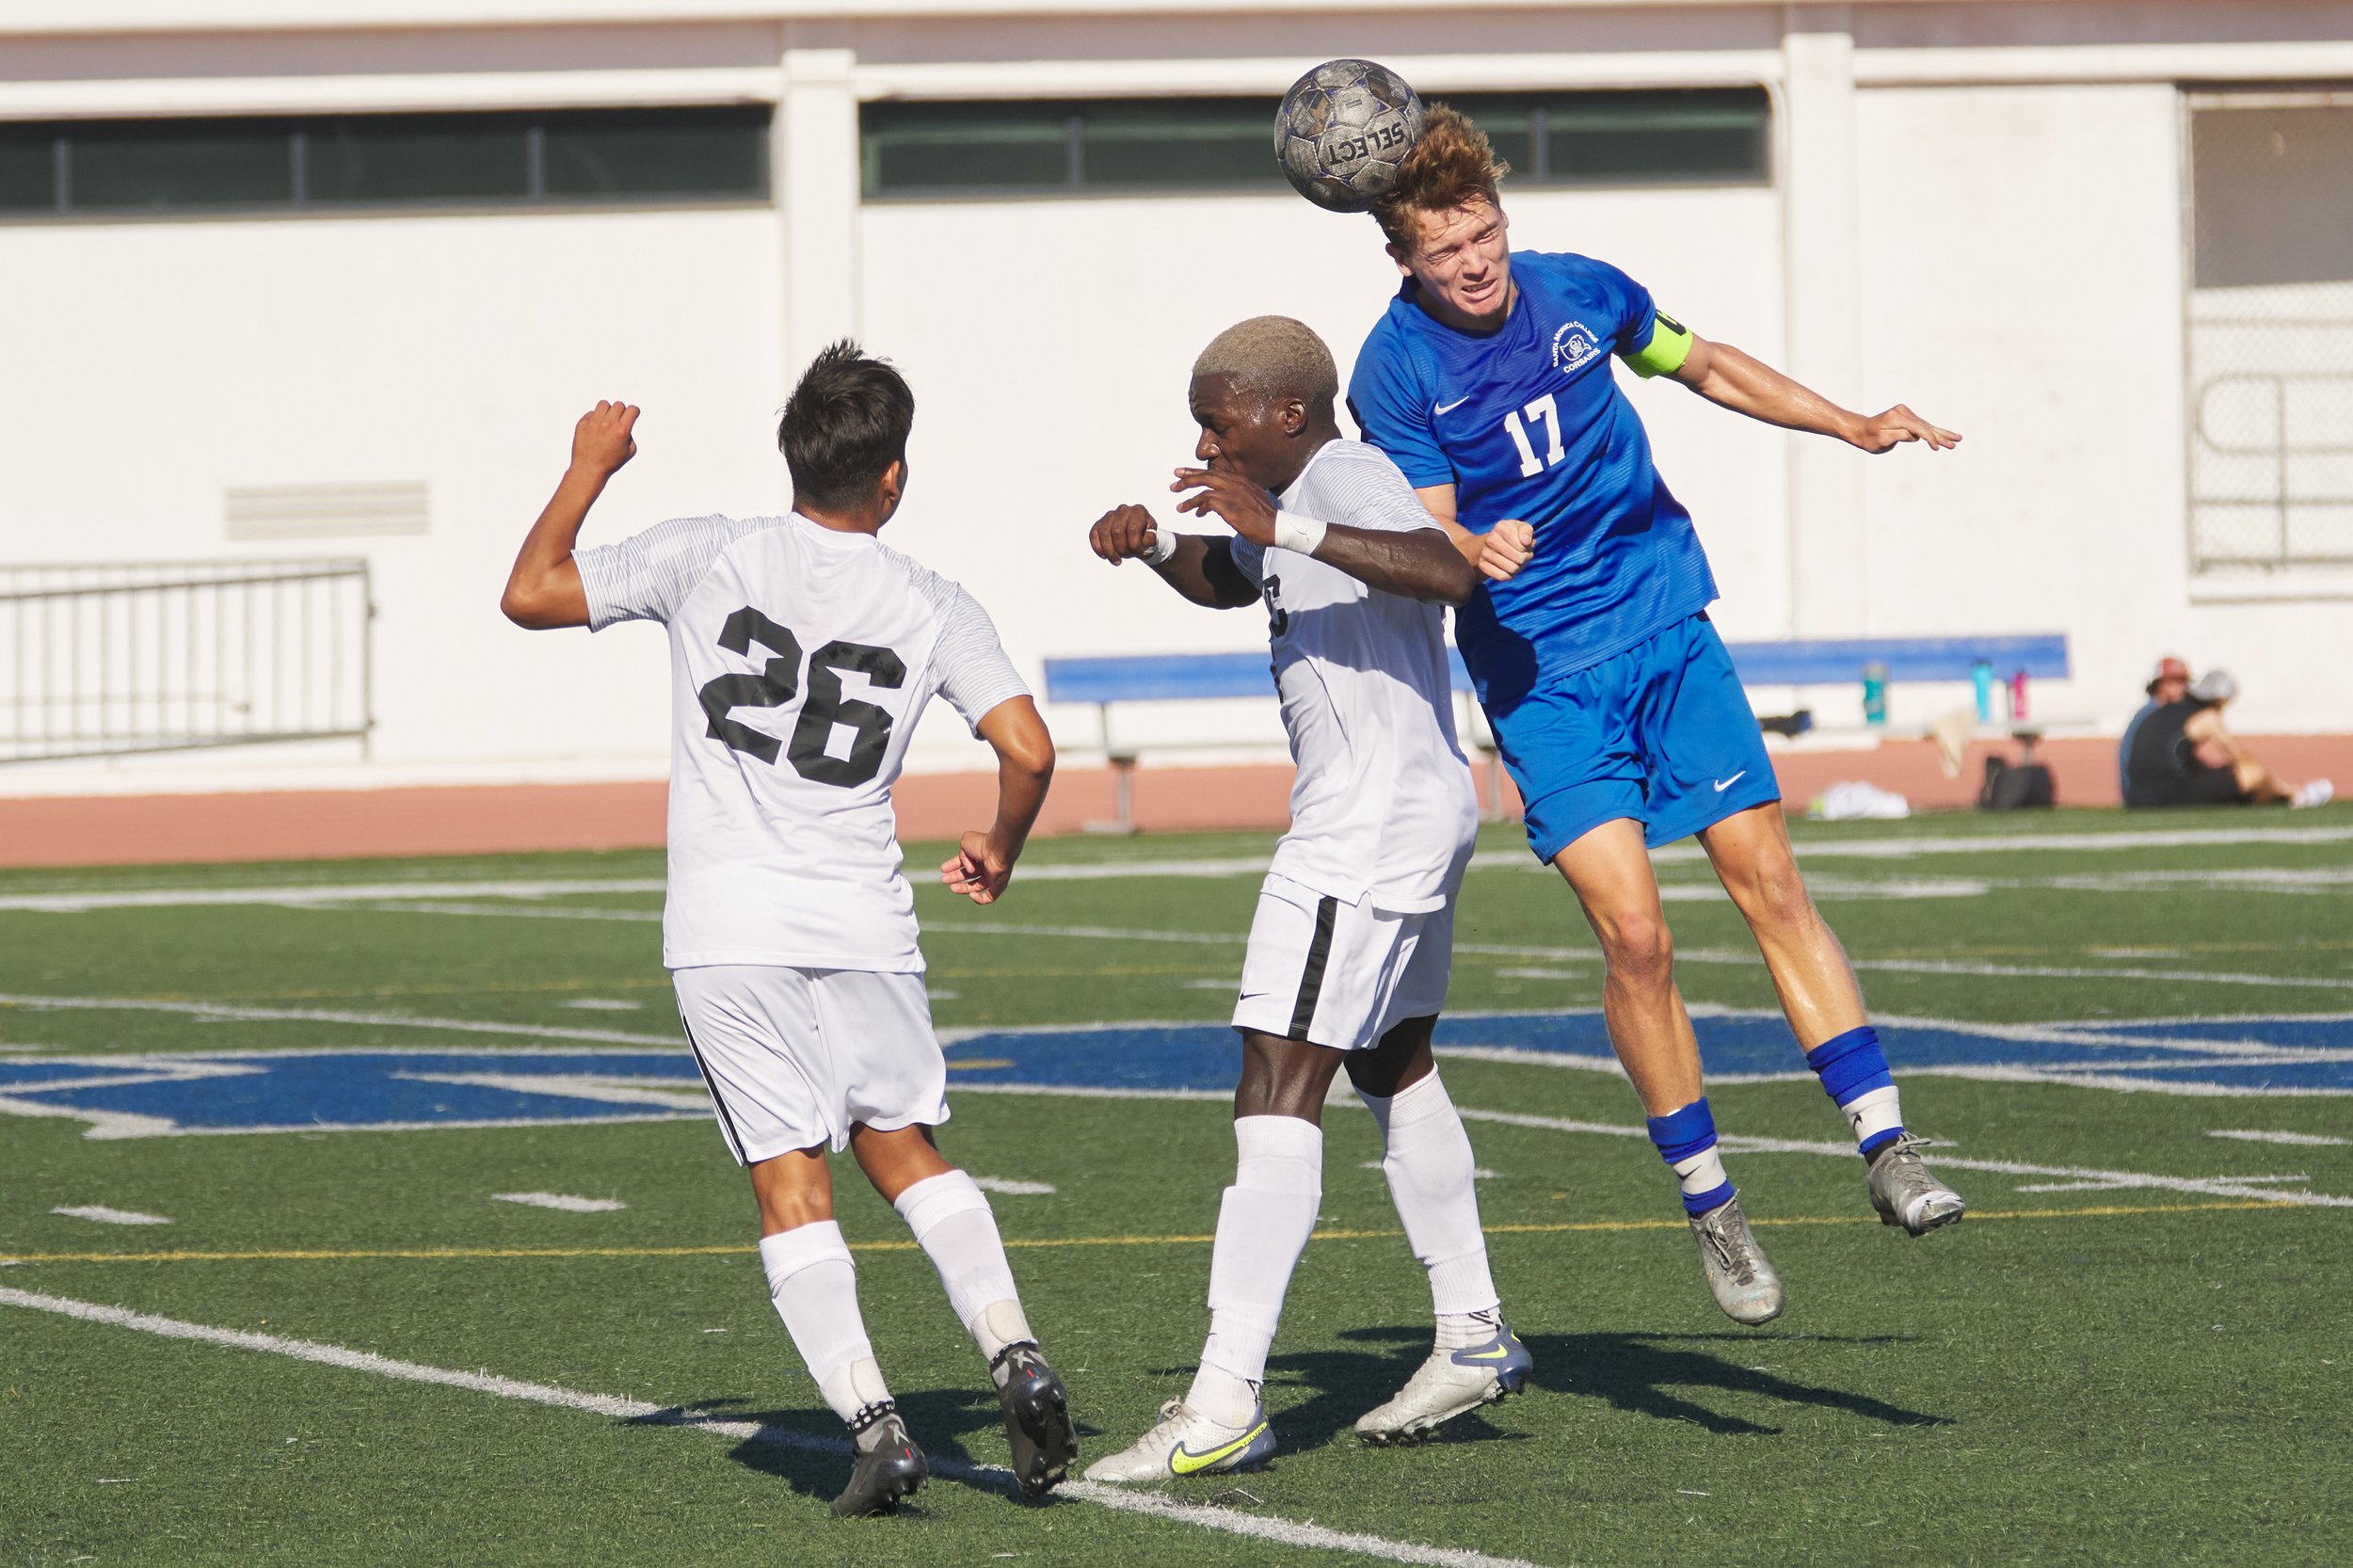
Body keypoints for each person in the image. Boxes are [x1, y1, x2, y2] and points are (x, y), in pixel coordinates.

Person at [1346, 106, 1966, 1327]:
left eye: (1485, 233)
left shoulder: (1583, 290)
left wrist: (1845, 420)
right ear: (1403, 258)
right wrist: (1473, 542)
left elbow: (1707, 361)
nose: (1474, 263)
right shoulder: (1393, 366)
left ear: (1503, 219)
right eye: (1444, 248)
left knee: (1770, 881)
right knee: (1637, 939)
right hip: (1543, 672)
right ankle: (1712, 1206)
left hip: (1669, 625)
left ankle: (1888, 1144)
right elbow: (1425, 531)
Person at [498, 343, 1078, 1515]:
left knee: (787, 1176)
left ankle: (877, 1428)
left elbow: (531, 593)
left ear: (791, 454)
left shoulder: (705, 552)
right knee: (904, 1145)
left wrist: (587, 467)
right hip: (863, 916)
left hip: (729, 924)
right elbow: (1028, 749)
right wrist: (1001, 846)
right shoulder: (932, 599)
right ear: (894, 477)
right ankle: (1014, 1350)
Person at [1080, 316, 1530, 1480]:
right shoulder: (1289, 493)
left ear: (1284, 412)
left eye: (1216, 418)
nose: (1203, 439)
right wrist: (1151, 550)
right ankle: (1474, 1328)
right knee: (1389, 1062)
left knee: (1275, 1079)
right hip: (1405, 812)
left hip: (1364, 830)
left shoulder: (1343, 471)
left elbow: (1446, 569)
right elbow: (1229, 581)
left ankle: (1225, 1397)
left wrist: (1282, 521)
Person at [2121, 665, 2332, 808]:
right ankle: (2296, 796)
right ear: (2221, 698)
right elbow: (2244, 760)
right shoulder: (2207, 717)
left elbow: (2173, 758)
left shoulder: (2165, 711)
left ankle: (2286, 795)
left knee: (2221, 775)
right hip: (2166, 796)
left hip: (2136, 798)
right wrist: (2282, 787)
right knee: (2253, 774)